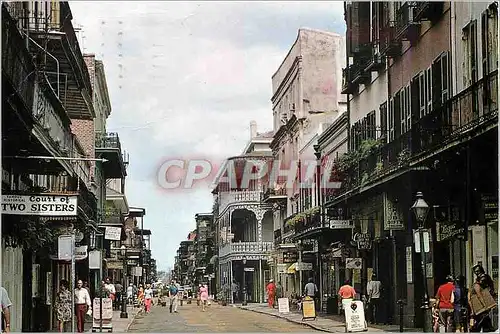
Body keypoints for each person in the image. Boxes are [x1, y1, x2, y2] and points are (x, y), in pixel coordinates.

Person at [468, 264, 496, 332]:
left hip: (485, 300)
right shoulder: (479, 279)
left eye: (478, 271)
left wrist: (484, 305)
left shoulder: (484, 277)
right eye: (475, 272)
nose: (477, 273)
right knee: (484, 321)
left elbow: (480, 290)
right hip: (481, 303)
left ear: (481, 270)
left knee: (482, 321)